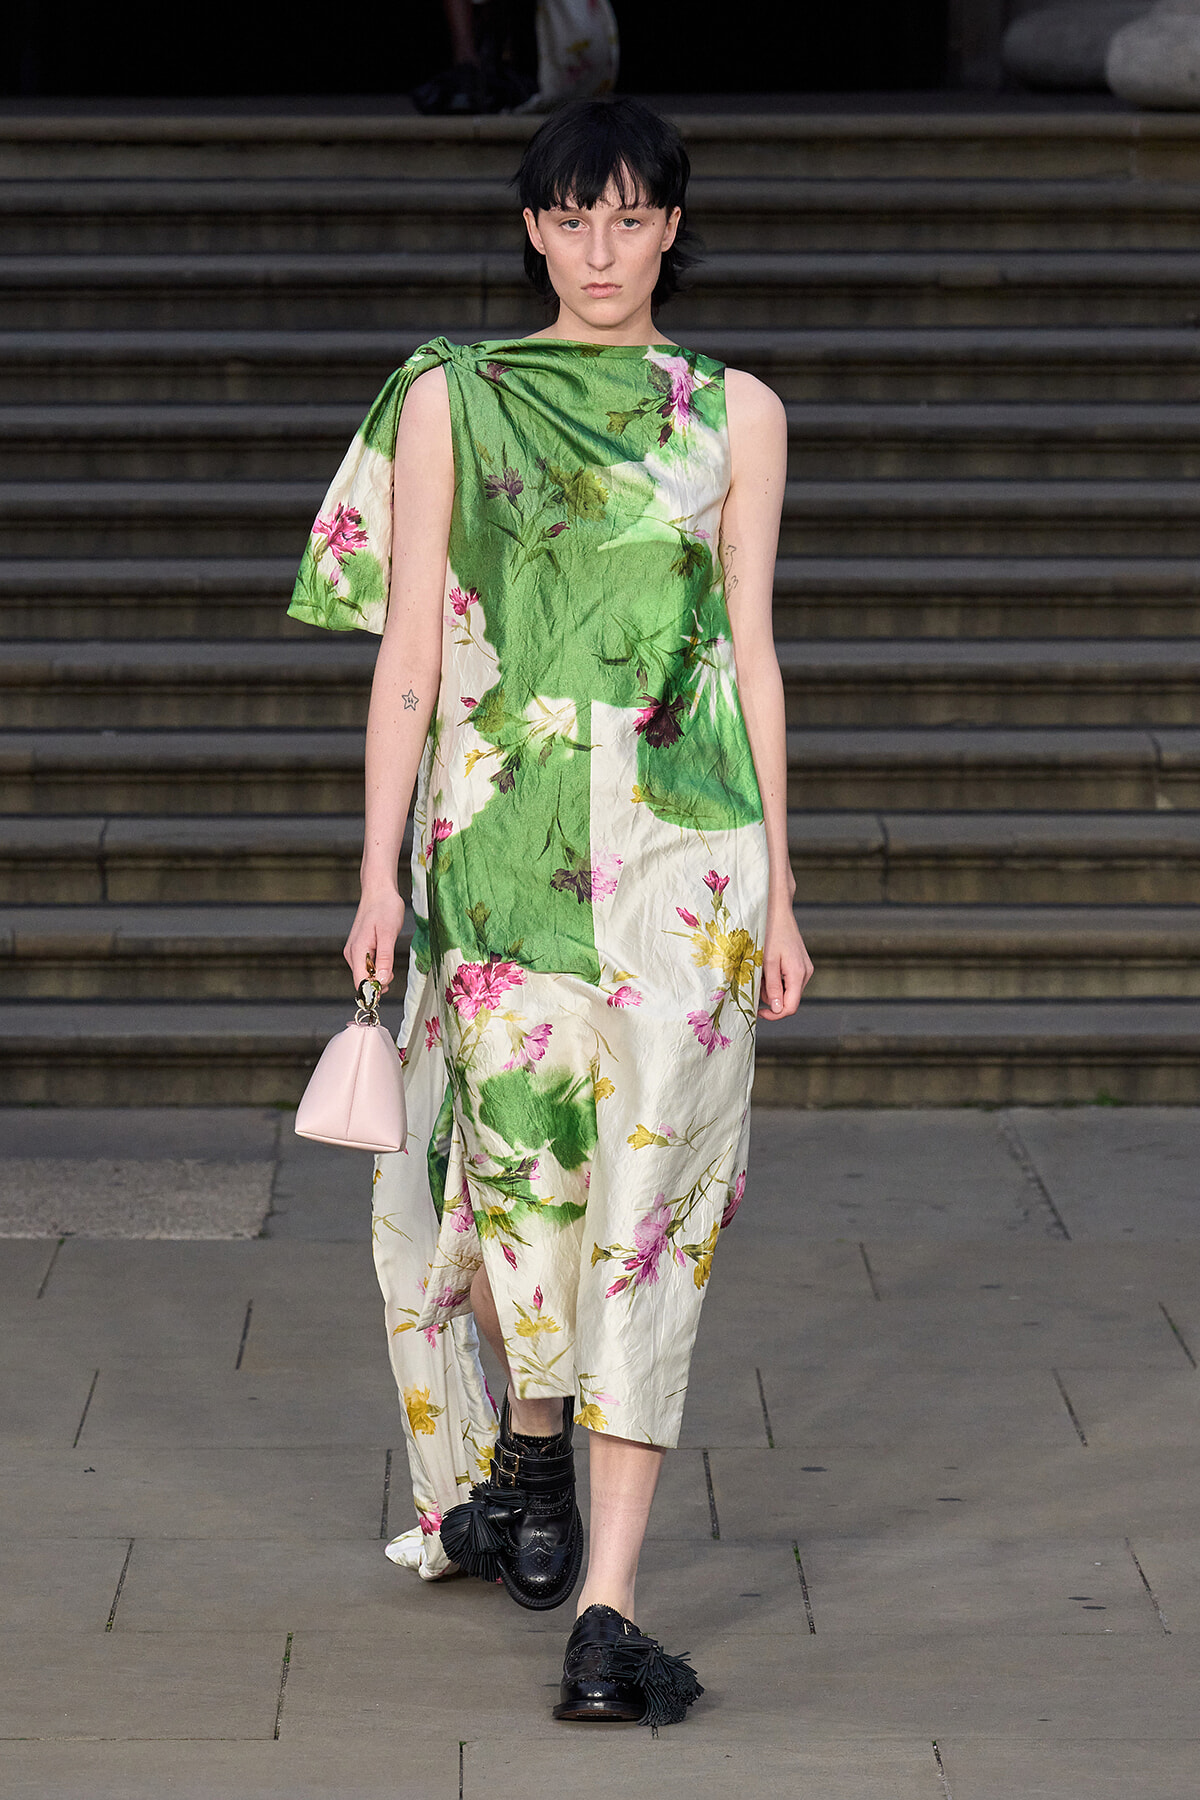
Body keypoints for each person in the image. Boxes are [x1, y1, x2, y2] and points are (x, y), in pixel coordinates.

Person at [288, 94, 813, 1728]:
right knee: (518, 1193)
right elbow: (411, 650)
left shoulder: (737, 412)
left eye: (629, 218)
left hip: (689, 866)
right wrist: (376, 871)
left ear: (672, 228)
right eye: (572, 219)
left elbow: (750, 651)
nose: (600, 250)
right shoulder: (454, 393)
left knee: (657, 1212)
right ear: (533, 230)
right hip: (500, 848)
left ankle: (608, 1608)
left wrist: (787, 890)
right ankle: (528, 1449)